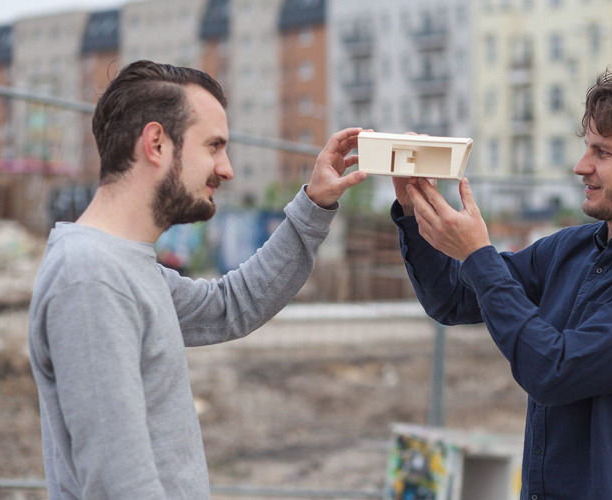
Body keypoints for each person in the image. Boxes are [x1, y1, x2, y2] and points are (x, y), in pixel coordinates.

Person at [391, 54, 612, 499]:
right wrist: (416, 210)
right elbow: (453, 300)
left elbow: (554, 370)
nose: (580, 165)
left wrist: (478, 254)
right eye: (587, 147)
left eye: (602, 152)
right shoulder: (569, 249)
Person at [27, 60, 366, 499]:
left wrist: (314, 203)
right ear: (156, 143)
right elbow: (119, 484)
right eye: (213, 146)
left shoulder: (123, 266)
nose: (225, 169)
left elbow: (231, 305)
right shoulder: (91, 278)